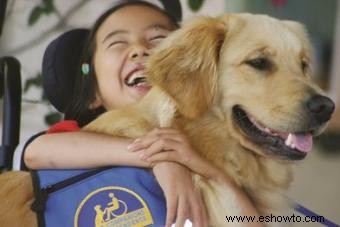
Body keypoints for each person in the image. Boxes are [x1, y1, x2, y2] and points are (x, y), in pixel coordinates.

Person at [23, 1, 262, 226]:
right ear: (93, 93)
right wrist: (158, 157)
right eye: (117, 43)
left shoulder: (214, 145)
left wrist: (209, 171)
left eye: (158, 38)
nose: (140, 50)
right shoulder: (80, 137)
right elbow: (36, 151)